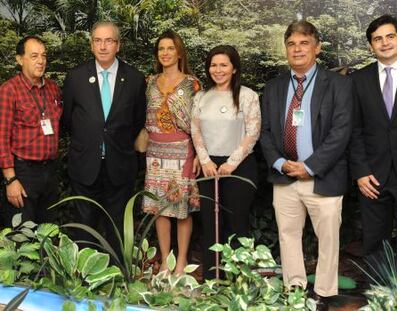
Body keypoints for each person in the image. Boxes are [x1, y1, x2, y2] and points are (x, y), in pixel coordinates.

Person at [260, 21, 352, 305]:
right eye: (291, 44)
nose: (297, 49)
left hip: (322, 177)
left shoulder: (338, 84)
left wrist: (309, 166)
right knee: (287, 237)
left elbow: (341, 131)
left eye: (304, 43)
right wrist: (280, 162)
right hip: (285, 176)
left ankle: (323, 294)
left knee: (328, 241)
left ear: (317, 48)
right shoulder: (274, 87)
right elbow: (265, 132)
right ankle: (295, 290)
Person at [62, 21, 146, 256]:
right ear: (91, 45)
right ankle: (86, 279)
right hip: (85, 164)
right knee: (84, 226)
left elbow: (137, 120)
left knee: (117, 226)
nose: (103, 46)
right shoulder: (76, 77)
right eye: (97, 40)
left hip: (119, 165)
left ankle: (117, 279)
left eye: (109, 40)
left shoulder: (135, 79)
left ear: (118, 45)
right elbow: (68, 119)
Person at [350, 15, 397, 286]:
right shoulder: (357, 80)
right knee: (374, 239)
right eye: (377, 39)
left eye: (390, 37)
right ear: (370, 46)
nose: (384, 43)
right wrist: (361, 172)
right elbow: (352, 130)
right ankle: (378, 297)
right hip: (372, 178)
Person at [191, 45, 261, 280]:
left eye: (224, 65)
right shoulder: (201, 96)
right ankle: (213, 279)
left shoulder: (248, 96)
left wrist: (231, 163)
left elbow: (252, 133)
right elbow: (195, 130)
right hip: (209, 167)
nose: (218, 70)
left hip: (239, 167)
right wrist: (205, 160)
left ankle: (239, 279)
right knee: (211, 225)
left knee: (237, 222)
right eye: (213, 65)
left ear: (234, 69)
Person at [142, 30, 200, 275]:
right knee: (159, 208)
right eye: (161, 49)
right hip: (155, 151)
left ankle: (182, 260)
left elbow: (200, 121)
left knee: (181, 208)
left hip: (183, 150)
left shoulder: (191, 84)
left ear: (179, 52)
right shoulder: (149, 82)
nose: (165, 53)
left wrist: (199, 153)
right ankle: (166, 260)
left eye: (170, 48)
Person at [0, 36, 62, 226]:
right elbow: (2, 138)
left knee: (47, 232)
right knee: (22, 236)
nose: (41, 61)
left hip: (50, 172)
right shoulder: (9, 90)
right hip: (23, 173)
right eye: (34, 56)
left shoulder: (53, 88)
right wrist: (10, 180)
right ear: (20, 59)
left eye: (43, 55)